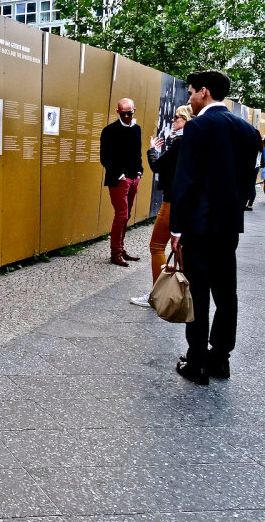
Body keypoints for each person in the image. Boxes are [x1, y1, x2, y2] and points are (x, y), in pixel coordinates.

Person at [170, 70, 262, 385]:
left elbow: (187, 181)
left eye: (191, 92)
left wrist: (177, 229)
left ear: (204, 92)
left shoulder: (198, 127)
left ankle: (196, 361)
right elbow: (247, 184)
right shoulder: (249, 131)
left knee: (198, 292)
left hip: (199, 227)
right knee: (227, 292)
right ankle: (220, 358)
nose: (189, 99)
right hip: (229, 227)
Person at [130, 104, 193, 307]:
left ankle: (156, 296)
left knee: (157, 246)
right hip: (185, 200)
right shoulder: (192, 141)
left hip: (172, 200)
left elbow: (157, 166)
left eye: (177, 117)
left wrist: (152, 150)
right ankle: (178, 292)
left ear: (185, 120)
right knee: (180, 248)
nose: (173, 120)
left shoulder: (180, 141)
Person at [100, 98, 144, 266]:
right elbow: (104, 158)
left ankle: (121, 248)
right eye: (123, 113)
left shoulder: (137, 129)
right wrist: (120, 176)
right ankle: (115, 252)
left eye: (130, 113)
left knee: (126, 216)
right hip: (119, 180)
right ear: (118, 112)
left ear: (134, 111)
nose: (127, 116)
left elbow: (137, 153)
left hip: (134, 178)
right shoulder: (109, 131)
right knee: (121, 215)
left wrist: (140, 172)